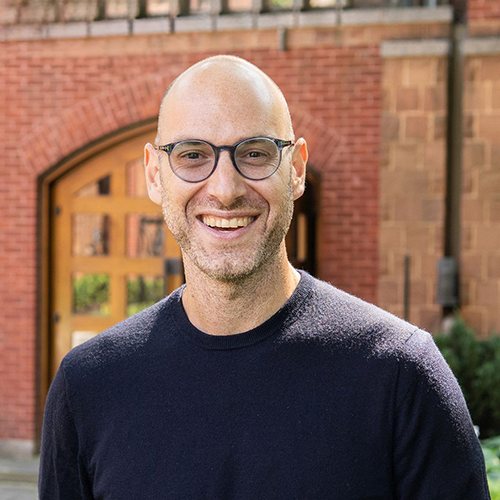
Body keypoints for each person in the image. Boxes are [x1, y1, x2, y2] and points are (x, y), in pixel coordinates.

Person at [39, 55, 491, 499]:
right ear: (155, 174)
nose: (225, 188)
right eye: (193, 155)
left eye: (254, 153)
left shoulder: (398, 374)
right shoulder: (89, 387)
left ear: (295, 169)